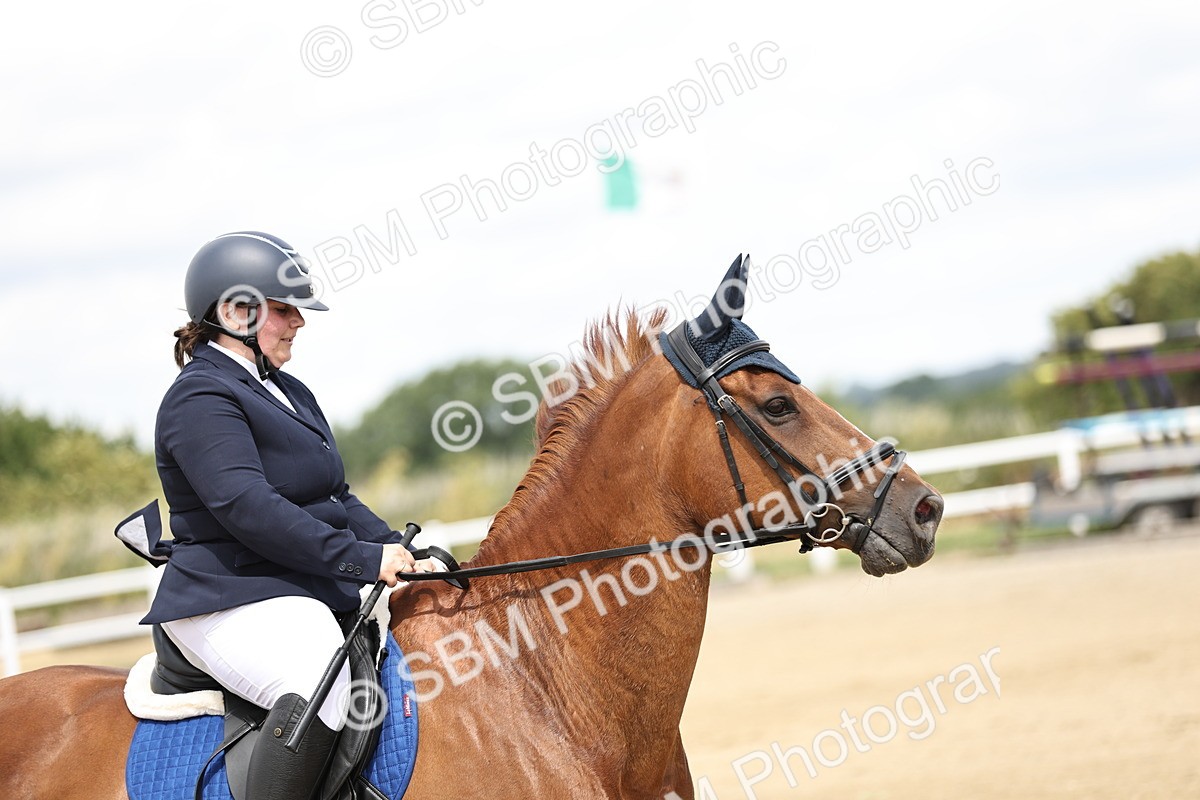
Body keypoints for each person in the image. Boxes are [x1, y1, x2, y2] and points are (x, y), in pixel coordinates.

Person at [141, 231, 427, 800]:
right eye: (284, 309)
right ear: (236, 311)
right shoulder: (199, 397)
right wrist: (362, 560)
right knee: (318, 677)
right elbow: (251, 510)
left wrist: (401, 549)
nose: (299, 322)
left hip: (291, 583)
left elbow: (336, 496)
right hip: (228, 596)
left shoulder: (287, 389)